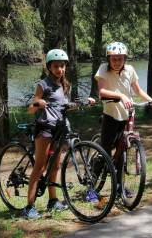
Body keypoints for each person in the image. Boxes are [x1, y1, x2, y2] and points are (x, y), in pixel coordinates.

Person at [23, 48, 94, 219]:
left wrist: (84, 102)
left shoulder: (64, 84)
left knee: (55, 166)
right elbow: (31, 109)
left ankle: (53, 200)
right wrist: (38, 103)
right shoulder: (43, 84)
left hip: (60, 129)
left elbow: (65, 105)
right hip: (46, 129)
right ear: (49, 67)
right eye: (56, 66)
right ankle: (29, 207)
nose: (60, 69)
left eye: (62, 66)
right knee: (40, 167)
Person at [94, 41, 152, 195]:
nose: (116, 62)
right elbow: (102, 92)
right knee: (104, 152)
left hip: (126, 116)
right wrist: (121, 95)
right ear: (109, 59)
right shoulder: (103, 69)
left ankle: (119, 187)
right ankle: (91, 186)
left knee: (122, 152)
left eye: (120, 58)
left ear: (124, 58)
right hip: (111, 115)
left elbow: (138, 90)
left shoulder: (130, 70)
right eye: (113, 59)